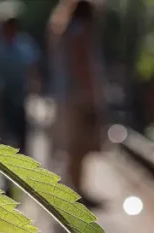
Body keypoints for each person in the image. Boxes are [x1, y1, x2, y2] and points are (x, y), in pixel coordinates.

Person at [47, 0, 106, 208]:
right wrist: (93, 100)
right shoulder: (80, 32)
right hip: (79, 98)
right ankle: (76, 193)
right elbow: (83, 68)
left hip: (66, 97)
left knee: (72, 149)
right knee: (78, 149)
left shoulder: (63, 30)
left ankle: (74, 190)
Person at [0, 0, 41, 168]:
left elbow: (33, 69)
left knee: (22, 137)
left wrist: (35, 87)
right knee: (3, 139)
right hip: (2, 99)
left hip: (19, 98)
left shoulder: (25, 45)